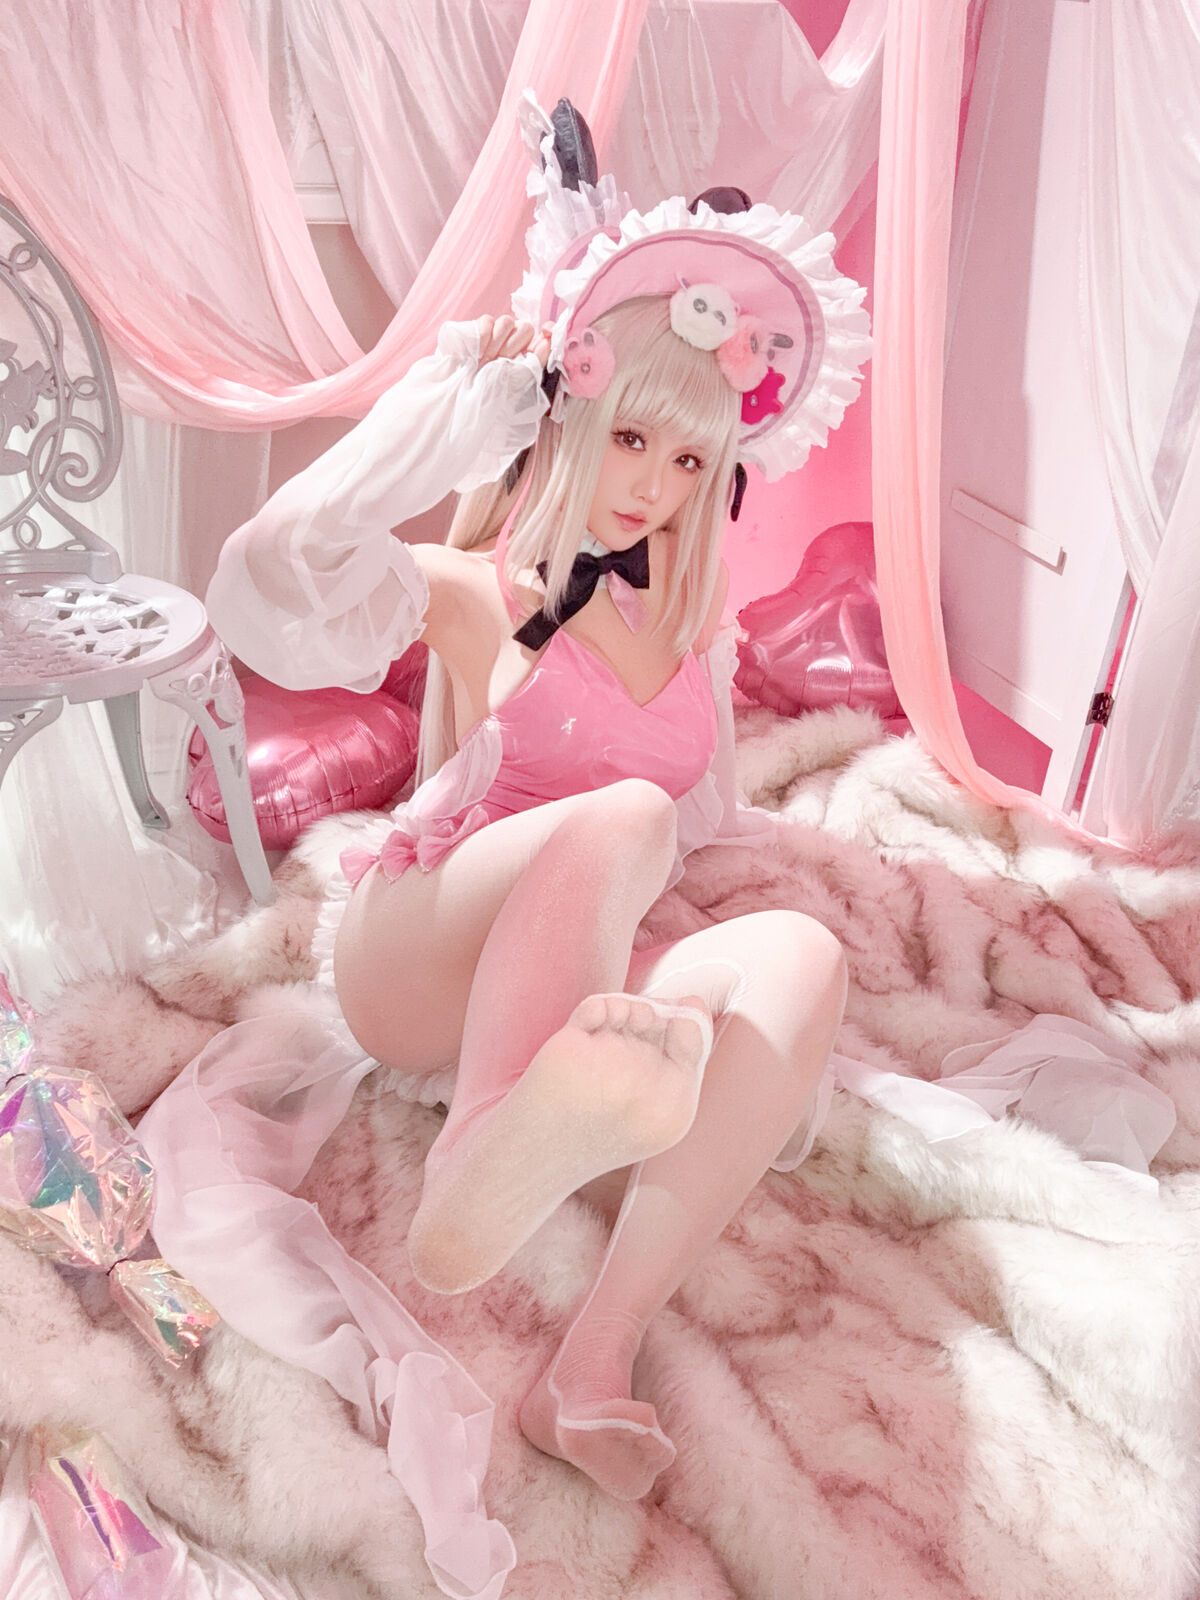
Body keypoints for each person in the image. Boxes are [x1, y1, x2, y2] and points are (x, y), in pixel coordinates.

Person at [146, 98, 870, 1596]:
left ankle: (591, 1363)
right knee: (621, 819)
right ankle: (477, 1153)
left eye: (691, 460)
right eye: (634, 439)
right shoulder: (488, 590)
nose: (654, 485)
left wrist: (694, 979)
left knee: (803, 957)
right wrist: (436, 420)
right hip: (420, 957)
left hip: (565, 956)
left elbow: (698, 833)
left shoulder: (697, 637)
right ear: (574, 415)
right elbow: (267, 577)